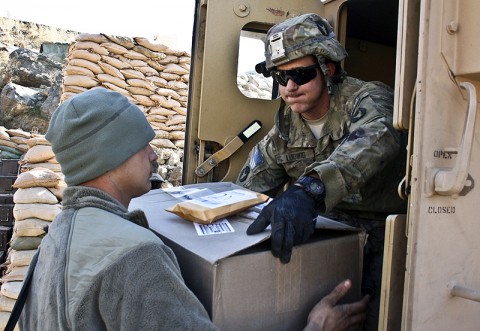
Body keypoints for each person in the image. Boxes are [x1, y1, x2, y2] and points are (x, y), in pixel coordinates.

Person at [17, 87, 368, 331]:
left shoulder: (58, 233)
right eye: (142, 144)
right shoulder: (135, 257)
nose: (154, 155)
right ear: (109, 157)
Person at [236, 13, 407, 331]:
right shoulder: (286, 128)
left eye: (301, 74)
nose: (289, 87)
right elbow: (248, 189)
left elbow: (375, 142)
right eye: (279, 77)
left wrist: (309, 190)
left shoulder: (369, 100)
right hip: (331, 230)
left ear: (328, 69)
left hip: (391, 233)